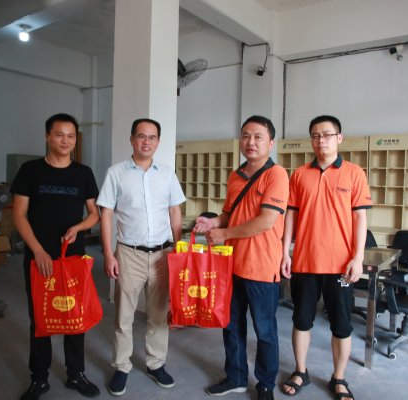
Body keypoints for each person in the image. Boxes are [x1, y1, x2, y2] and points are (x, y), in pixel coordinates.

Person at [194, 115, 289, 400]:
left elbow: (266, 221)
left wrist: (224, 234)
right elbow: (229, 214)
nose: (251, 142)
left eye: (258, 137)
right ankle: (235, 376)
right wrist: (213, 223)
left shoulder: (277, 175)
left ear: (271, 143)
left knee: (264, 331)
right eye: (246, 136)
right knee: (231, 325)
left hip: (262, 268)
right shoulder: (236, 176)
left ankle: (265, 384)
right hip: (231, 266)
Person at [279, 115, 372, 399]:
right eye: (316, 136)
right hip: (305, 263)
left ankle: (339, 378)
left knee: (342, 325)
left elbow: (360, 218)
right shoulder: (299, 175)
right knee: (301, 320)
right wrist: (284, 251)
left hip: (340, 267)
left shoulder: (354, 173)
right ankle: (300, 371)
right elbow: (290, 216)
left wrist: (358, 258)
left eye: (327, 135)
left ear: (339, 138)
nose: (321, 140)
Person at [12, 113, 101, 400]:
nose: (66, 140)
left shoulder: (83, 173)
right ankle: (39, 378)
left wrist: (79, 227)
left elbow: (95, 214)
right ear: (47, 136)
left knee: (75, 316)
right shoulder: (30, 171)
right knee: (41, 319)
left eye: (71, 136)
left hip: (73, 259)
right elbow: (19, 214)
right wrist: (37, 250)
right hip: (39, 259)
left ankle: (76, 374)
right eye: (60, 134)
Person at [97, 118, 185, 397]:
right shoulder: (116, 173)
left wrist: (178, 248)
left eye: (152, 137)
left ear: (158, 142)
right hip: (129, 254)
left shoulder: (167, 174)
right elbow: (106, 214)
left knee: (159, 315)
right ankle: (122, 366)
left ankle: (155, 364)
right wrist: (108, 253)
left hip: (162, 254)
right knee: (124, 315)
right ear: (132, 139)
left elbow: (175, 211)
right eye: (141, 136)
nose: (146, 141)